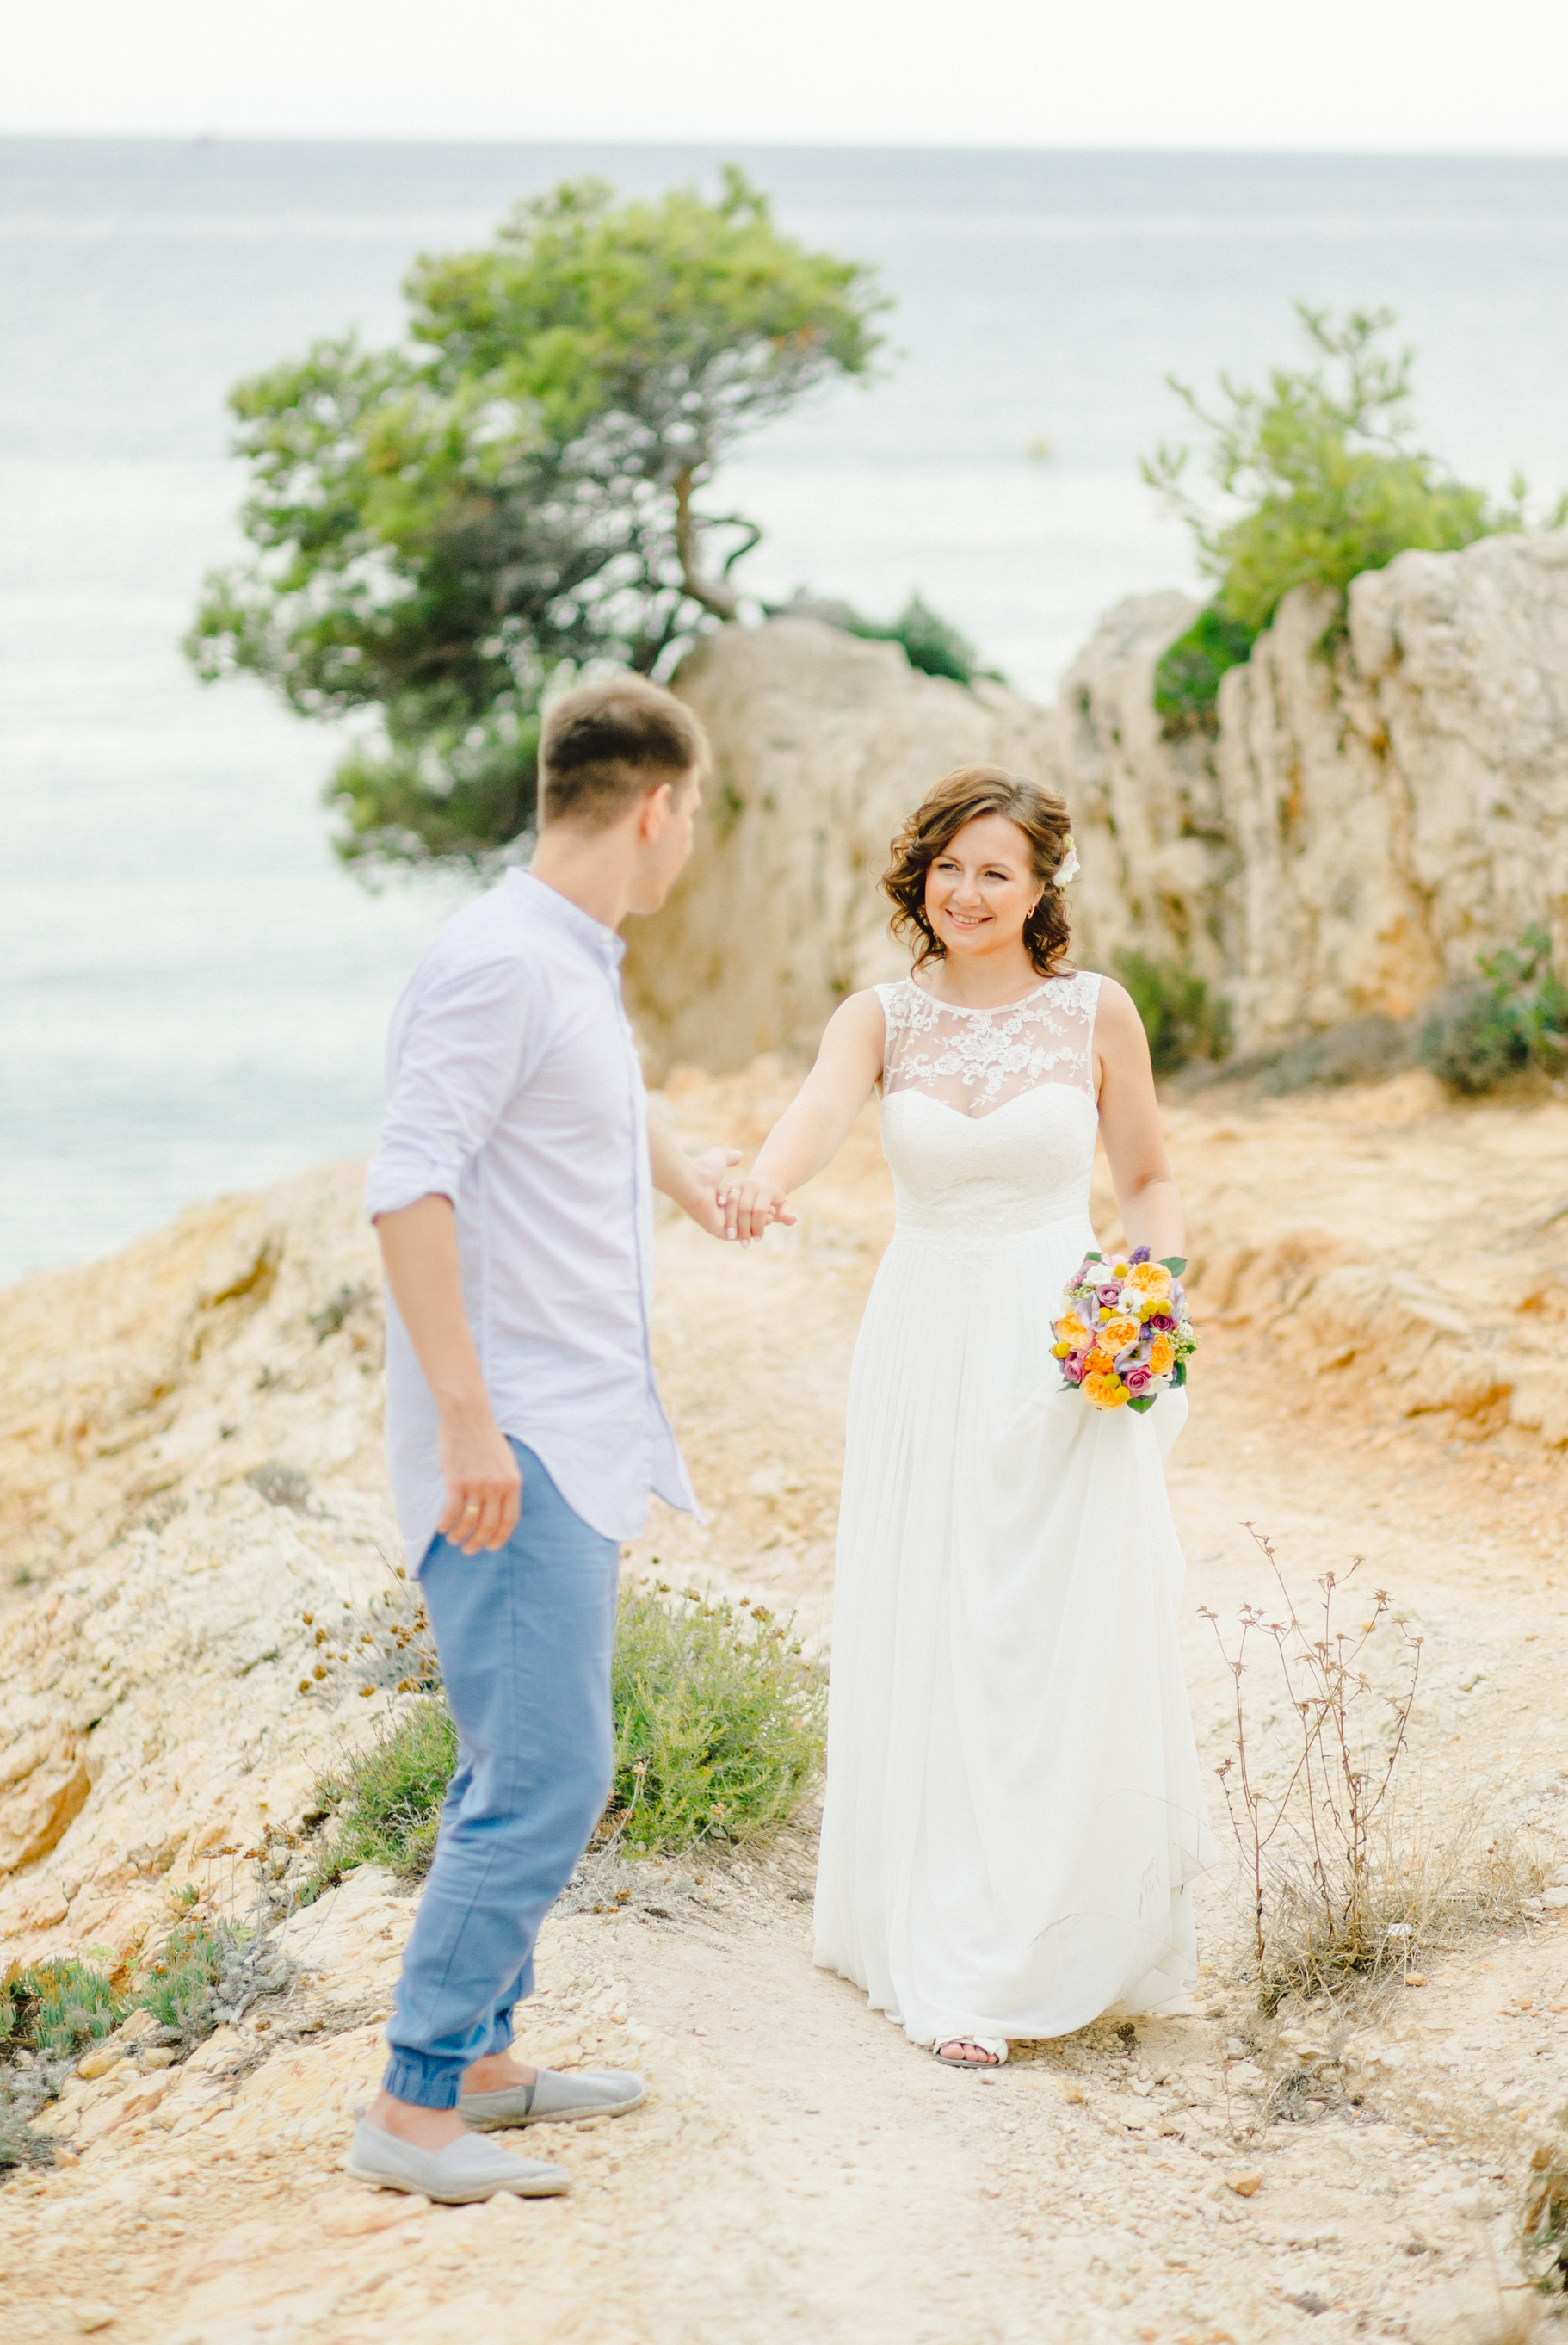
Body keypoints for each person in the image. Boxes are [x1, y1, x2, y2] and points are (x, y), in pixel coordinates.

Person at [718, 766, 1219, 2069]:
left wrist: (1144, 1294)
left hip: (1068, 1346)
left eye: (996, 871)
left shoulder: (1095, 1013)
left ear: (1043, 886)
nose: (968, 892)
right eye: (948, 867)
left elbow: (1150, 1177)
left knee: (1056, 1631)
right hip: (931, 1341)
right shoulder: (877, 1019)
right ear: (918, 878)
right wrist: (759, 1187)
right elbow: (814, 1123)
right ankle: (950, 1950)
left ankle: (1067, 1927)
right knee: (944, 1622)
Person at [348, 675, 737, 2204]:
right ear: (657, 807)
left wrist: (701, 1180)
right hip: (509, 1449)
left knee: (518, 1755)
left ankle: (489, 2056)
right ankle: (414, 2105)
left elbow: (595, 1111)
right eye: (692, 815)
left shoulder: (569, 958)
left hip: (573, 1427)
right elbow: (407, 1184)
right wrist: (468, 1422)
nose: (689, 840)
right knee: (554, 1776)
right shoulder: (500, 966)